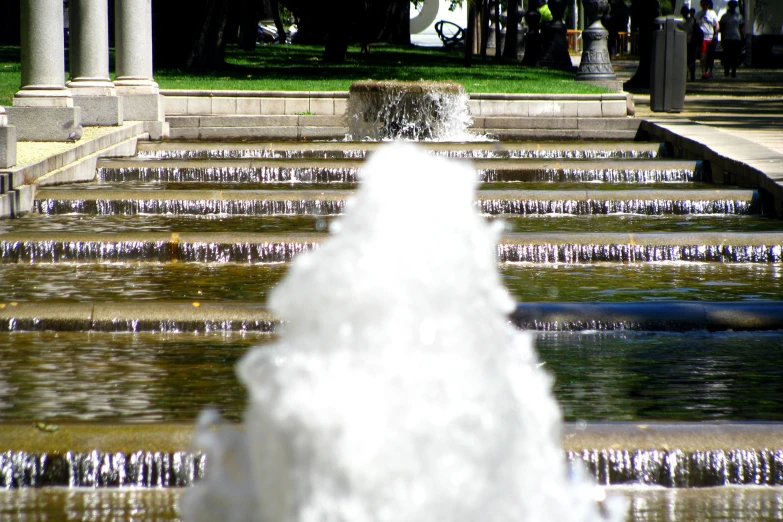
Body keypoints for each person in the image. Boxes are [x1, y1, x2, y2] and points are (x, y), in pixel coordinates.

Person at [720, 0, 745, 77]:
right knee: (727, 55)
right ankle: (726, 69)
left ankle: (733, 70)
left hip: (736, 38)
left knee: (735, 56)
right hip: (727, 38)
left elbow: (741, 28)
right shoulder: (724, 17)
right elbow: (722, 29)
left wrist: (742, 37)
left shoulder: (739, 16)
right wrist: (722, 39)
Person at [695, 0, 719, 79]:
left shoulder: (712, 13)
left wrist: (716, 34)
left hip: (711, 37)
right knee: (703, 56)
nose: (705, 6)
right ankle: (703, 72)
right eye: (703, 5)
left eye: (706, 5)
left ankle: (709, 70)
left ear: (708, 5)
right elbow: (696, 26)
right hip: (702, 37)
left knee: (710, 56)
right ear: (701, 5)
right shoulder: (698, 14)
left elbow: (716, 24)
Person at [680, 6, 697, 81]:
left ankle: (690, 75)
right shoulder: (692, 20)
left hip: (689, 42)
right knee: (689, 60)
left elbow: (685, 29)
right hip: (689, 42)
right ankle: (689, 75)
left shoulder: (683, 21)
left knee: (688, 60)